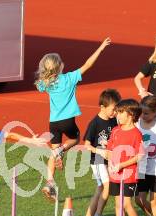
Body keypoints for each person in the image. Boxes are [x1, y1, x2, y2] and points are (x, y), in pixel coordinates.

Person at [36, 38, 111, 201]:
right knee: (75, 139)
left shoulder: (46, 83)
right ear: (59, 66)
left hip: (53, 123)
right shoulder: (69, 78)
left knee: (54, 153)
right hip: (67, 121)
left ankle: (49, 182)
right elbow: (87, 65)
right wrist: (100, 48)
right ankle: (61, 151)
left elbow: (40, 84)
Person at [80, 88, 121, 216]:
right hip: (97, 160)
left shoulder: (114, 121)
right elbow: (86, 145)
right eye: (113, 109)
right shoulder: (95, 123)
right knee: (107, 186)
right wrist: (100, 151)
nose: (115, 112)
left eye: (117, 109)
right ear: (102, 106)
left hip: (109, 160)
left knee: (100, 190)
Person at [106, 99, 144, 216]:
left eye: (121, 112)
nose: (118, 115)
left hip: (128, 175)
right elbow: (110, 150)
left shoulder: (136, 133)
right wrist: (110, 164)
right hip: (115, 174)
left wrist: (122, 165)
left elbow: (139, 156)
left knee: (126, 203)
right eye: (117, 112)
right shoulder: (115, 130)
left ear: (131, 115)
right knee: (117, 204)